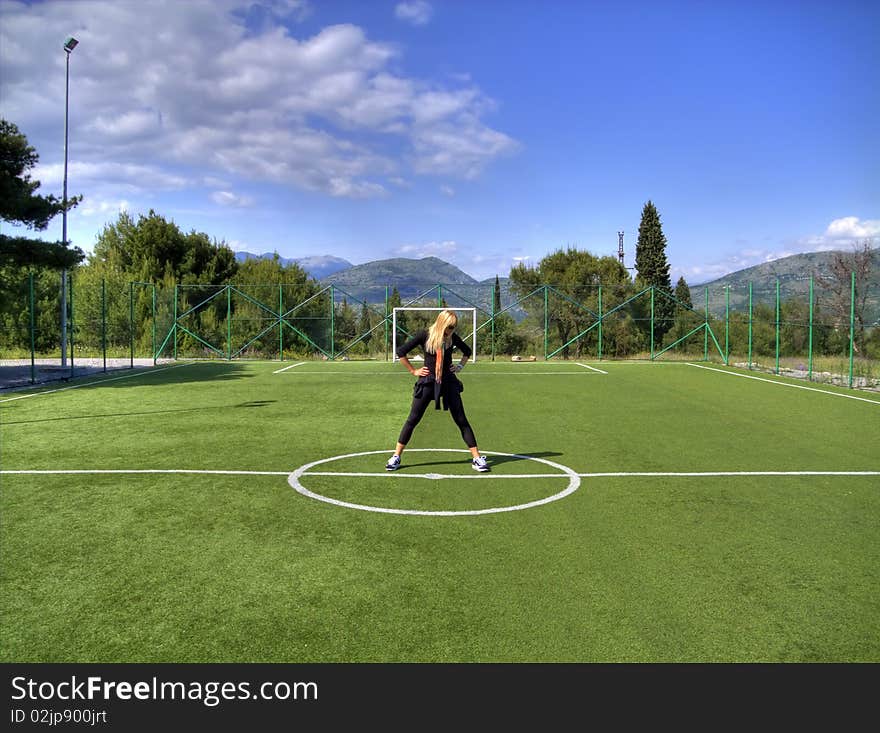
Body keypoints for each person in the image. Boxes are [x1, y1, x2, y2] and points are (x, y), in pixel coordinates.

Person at [386, 309, 489, 472]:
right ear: (441, 323)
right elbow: (401, 352)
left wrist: (460, 366)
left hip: (448, 382)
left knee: (461, 420)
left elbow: (467, 351)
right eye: (449, 327)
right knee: (413, 419)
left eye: (453, 327)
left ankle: (477, 458)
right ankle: (396, 457)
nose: (450, 331)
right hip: (427, 382)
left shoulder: (452, 338)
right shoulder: (424, 335)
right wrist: (414, 371)